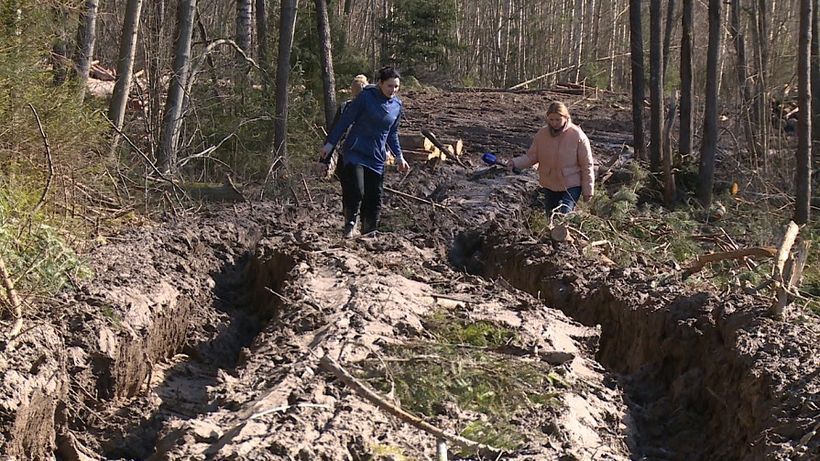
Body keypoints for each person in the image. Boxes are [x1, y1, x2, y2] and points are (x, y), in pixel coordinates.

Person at [319, 67, 410, 237]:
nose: (393, 90)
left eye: (396, 87)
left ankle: (369, 230)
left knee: (375, 196)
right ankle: (350, 224)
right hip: (356, 152)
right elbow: (344, 121)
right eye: (390, 86)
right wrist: (329, 145)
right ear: (381, 83)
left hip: (376, 157)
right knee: (357, 190)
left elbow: (392, 133)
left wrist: (399, 157)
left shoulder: (397, 106)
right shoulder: (365, 97)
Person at [510, 101, 594, 214]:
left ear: (566, 117)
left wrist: (588, 190)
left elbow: (587, 164)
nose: (554, 123)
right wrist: (514, 163)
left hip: (571, 184)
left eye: (558, 120)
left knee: (564, 213)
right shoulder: (542, 134)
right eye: (551, 119)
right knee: (550, 216)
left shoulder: (577, 135)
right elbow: (531, 157)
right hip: (549, 183)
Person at [321, 74, 370, 180]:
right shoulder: (346, 107)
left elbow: (334, 133)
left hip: (359, 154)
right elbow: (335, 132)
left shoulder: (370, 108)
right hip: (353, 153)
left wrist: (324, 160)